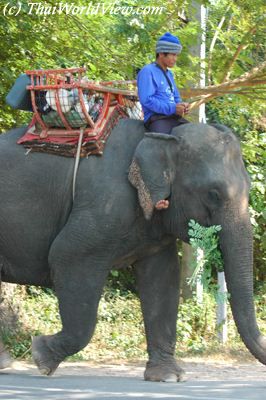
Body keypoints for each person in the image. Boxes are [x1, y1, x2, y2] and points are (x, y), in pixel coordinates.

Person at [137, 32, 190, 135]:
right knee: (161, 146)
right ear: (161, 53)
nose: (175, 59)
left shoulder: (169, 74)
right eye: (173, 55)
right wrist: (173, 108)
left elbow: (176, 97)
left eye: (177, 55)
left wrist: (182, 106)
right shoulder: (147, 71)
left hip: (173, 117)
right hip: (156, 119)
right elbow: (146, 100)